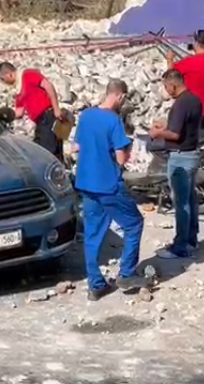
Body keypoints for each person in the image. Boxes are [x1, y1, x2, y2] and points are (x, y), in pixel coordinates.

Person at [74, 79, 145, 300]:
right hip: (108, 183)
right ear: (120, 96)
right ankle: (126, 273)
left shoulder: (85, 115)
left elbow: (76, 147)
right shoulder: (114, 121)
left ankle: (95, 285)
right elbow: (121, 158)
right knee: (134, 224)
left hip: (86, 182)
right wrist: (126, 151)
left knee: (93, 233)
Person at [149, 68, 204, 260]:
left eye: (166, 87)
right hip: (192, 154)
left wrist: (157, 133)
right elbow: (184, 126)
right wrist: (166, 126)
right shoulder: (195, 100)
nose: (166, 91)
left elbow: (176, 134)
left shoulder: (180, 104)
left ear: (173, 85)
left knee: (181, 204)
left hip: (180, 157)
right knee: (190, 200)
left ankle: (180, 246)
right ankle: (191, 239)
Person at [0, 61, 65, 161]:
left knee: (48, 152)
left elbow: (48, 86)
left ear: (9, 74)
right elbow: (19, 112)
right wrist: (4, 116)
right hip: (40, 122)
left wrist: (56, 108)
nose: (2, 81)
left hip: (48, 115)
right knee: (44, 150)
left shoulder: (28, 75)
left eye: (2, 78)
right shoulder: (18, 91)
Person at [165, 29, 204, 132]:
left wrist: (169, 59)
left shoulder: (188, 62)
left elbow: (171, 75)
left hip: (194, 114)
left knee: (192, 144)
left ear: (196, 43)